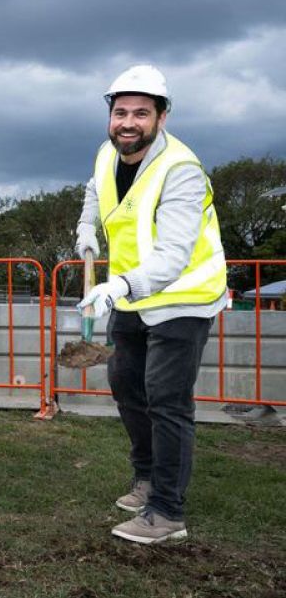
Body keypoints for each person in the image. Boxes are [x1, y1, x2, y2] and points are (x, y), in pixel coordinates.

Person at [76, 65, 227, 544]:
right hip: (131, 296)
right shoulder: (107, 153)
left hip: (184, 297)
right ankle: (145, 479)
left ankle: (167, 512)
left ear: (162, 117)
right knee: (126, 385)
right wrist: (86, 228)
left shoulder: (181, 169)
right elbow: (93, 192)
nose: (128, 122)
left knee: (167, 401)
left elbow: (174, 255)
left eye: (141, 113)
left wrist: (118, 286)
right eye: (120, 112)